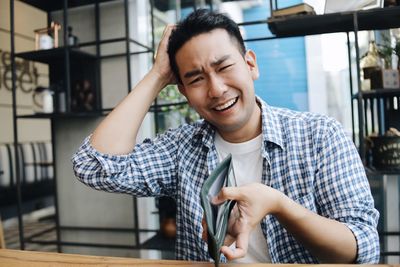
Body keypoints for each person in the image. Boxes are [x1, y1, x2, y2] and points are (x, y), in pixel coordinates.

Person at [72, 9, 379, 264]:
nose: (216, 89)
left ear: (250, 64)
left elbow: (362, 248)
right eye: (195, 79)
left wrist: (278, 205)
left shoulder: (320, 136)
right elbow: (93, 166)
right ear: (183, 93)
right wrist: (157, 76)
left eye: (224, 67)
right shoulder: (182, 148)